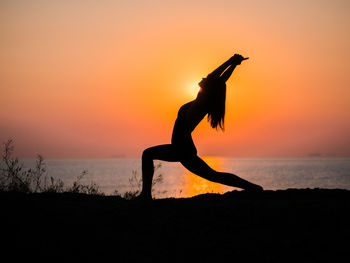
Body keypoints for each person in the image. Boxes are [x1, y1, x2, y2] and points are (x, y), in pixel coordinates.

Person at [139, 54, 263, 200]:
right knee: (214, 176)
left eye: (207, 80)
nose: (203, 78)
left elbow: (213, 78)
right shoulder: (202, 100)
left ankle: (145, 195)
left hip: (182, 149)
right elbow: (219, 80)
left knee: (147, 154)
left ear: (210, 88)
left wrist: (230, 62)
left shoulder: (202, 103)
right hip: (184, 148)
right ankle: (254, 188)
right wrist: (233, 65)